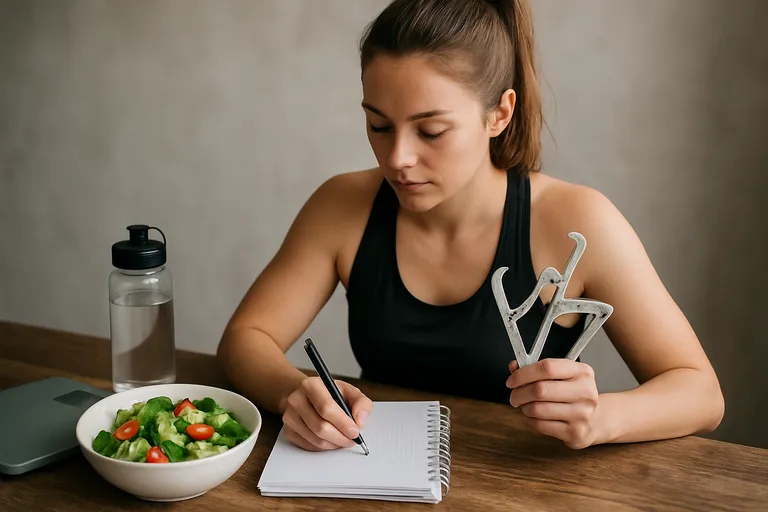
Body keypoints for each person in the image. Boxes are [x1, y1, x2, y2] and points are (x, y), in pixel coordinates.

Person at [217, 0, 724, 452]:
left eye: (431, 131)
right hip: (373, 479)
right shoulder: (342, 205)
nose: (398, 158)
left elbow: (700, 392)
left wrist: (602, 418)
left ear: (499, 114)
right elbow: (247, 336)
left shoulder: (578, 221)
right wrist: (293, 392)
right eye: (379, 125)